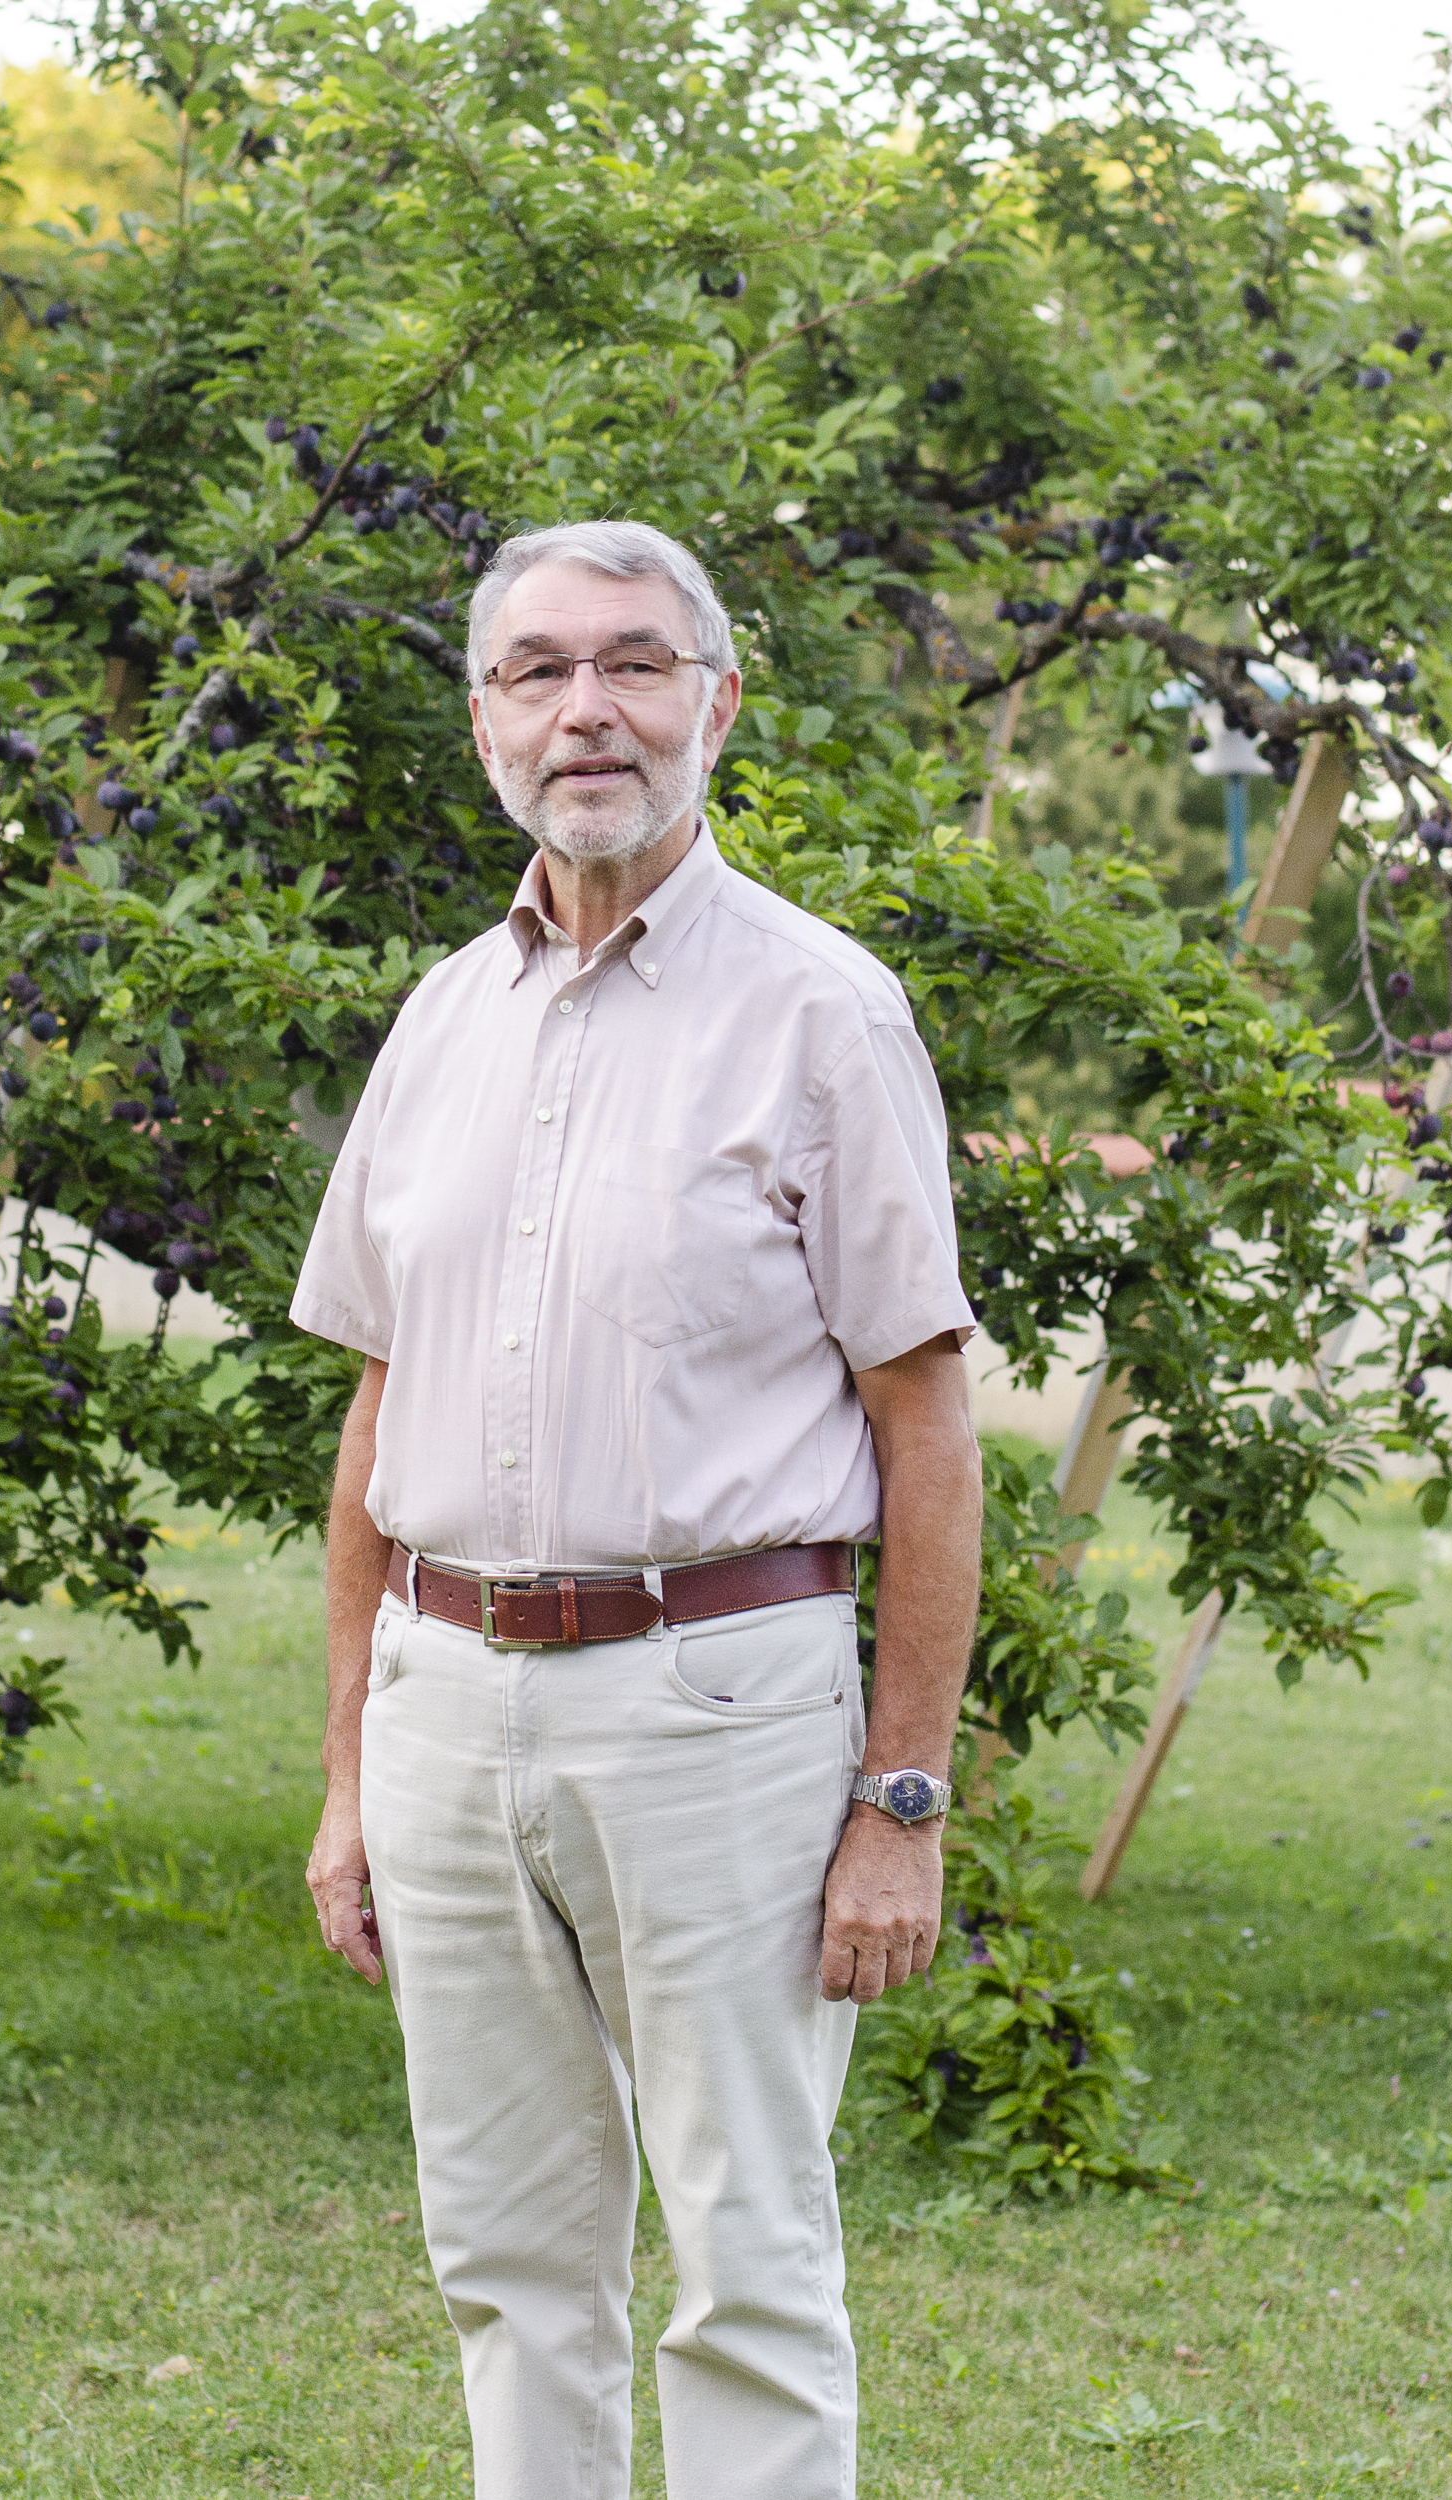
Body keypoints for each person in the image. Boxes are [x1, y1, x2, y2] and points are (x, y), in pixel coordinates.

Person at [293, 518, 981, 2500]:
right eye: (538, 669)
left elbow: (926, 1423)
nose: (585, 709)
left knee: (746, 2261)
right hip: (444, 1705)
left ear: (717, 703)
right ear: (485, 721)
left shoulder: (824, 1013)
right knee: (508, 2259)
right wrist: (348, 1773)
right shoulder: (442, 1019)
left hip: (720, 1706)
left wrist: (902, 1804)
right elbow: (380, 1405)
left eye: (634, 662)